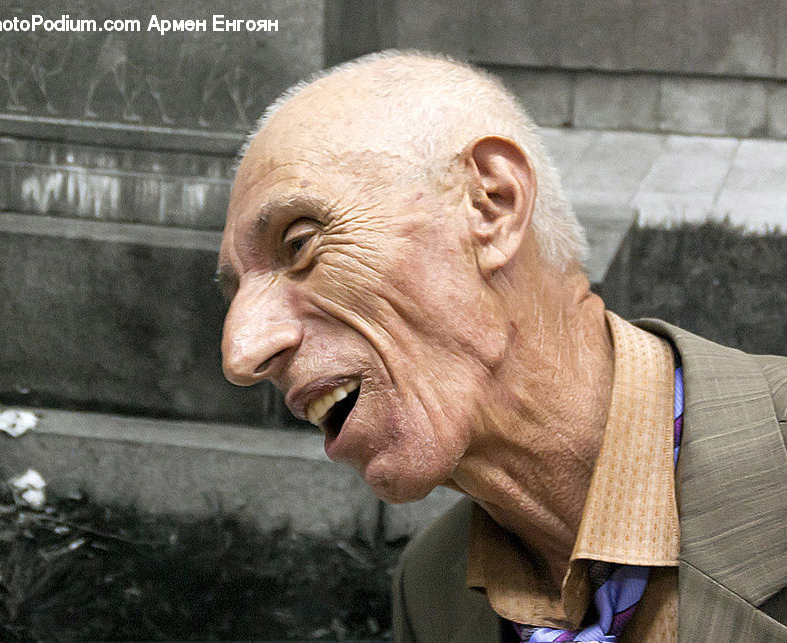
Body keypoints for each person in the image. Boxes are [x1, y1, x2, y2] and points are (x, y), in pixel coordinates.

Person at [216, 51, 787, 642]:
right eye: (232, 297)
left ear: (491, 202)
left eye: (301, 241)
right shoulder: (433, 590)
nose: (241, 352)